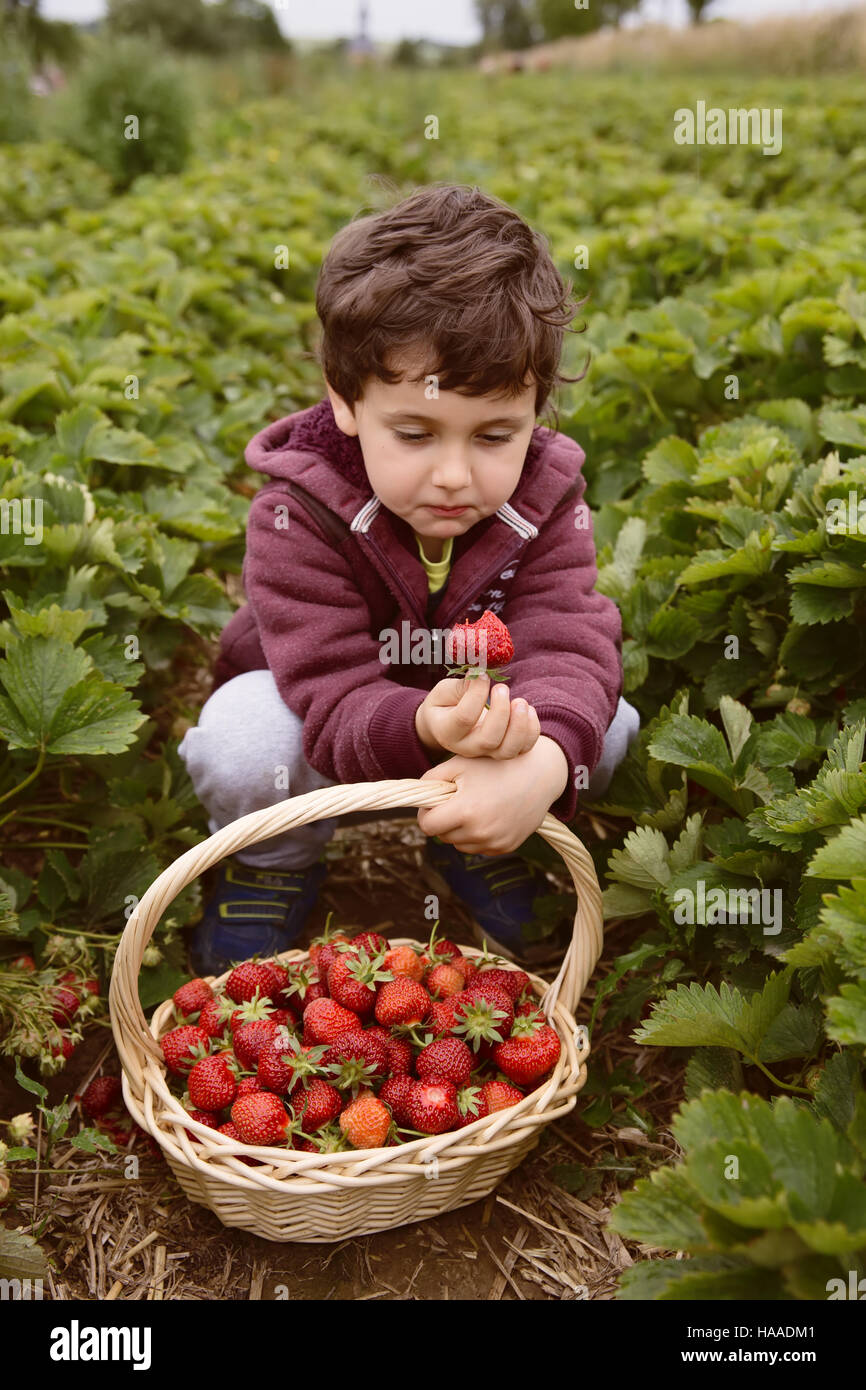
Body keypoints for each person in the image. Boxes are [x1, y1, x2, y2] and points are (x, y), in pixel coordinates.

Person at [179, 183, 640, 976]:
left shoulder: (547, 495)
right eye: (416, 432)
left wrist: (543, 763)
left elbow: (569, 635)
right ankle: (276, 863)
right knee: (244, 741)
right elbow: (328, 694)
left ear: (537, 412)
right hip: (334, 723)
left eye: (496, 434)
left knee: (611, 726)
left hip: (483, 720)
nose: (455, 475)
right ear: (347, 398)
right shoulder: (299, 511)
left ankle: (478, 839)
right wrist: (426, 724)